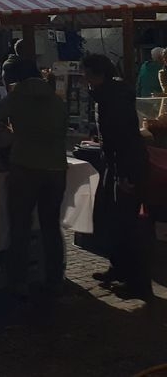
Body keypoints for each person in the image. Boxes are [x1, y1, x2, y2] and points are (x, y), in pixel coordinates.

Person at [0, 58, 67, 294]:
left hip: (26, 166)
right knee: (51, 225)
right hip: (57, 168)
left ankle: (19, 281)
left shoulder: (18, 95)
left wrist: (10, 130)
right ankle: (55, 278)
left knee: (20, 226)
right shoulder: (54, 95)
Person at [83, 54, 151, 298]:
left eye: (86, 73)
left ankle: (138, 283)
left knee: (128, 224)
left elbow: (122, 138)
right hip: (117, 163)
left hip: (127, 165)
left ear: (96, 74)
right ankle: (119, 268)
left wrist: (124, 174)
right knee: (113, 219)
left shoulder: (114, 98)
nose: (84, 78)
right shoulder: (108, 95)